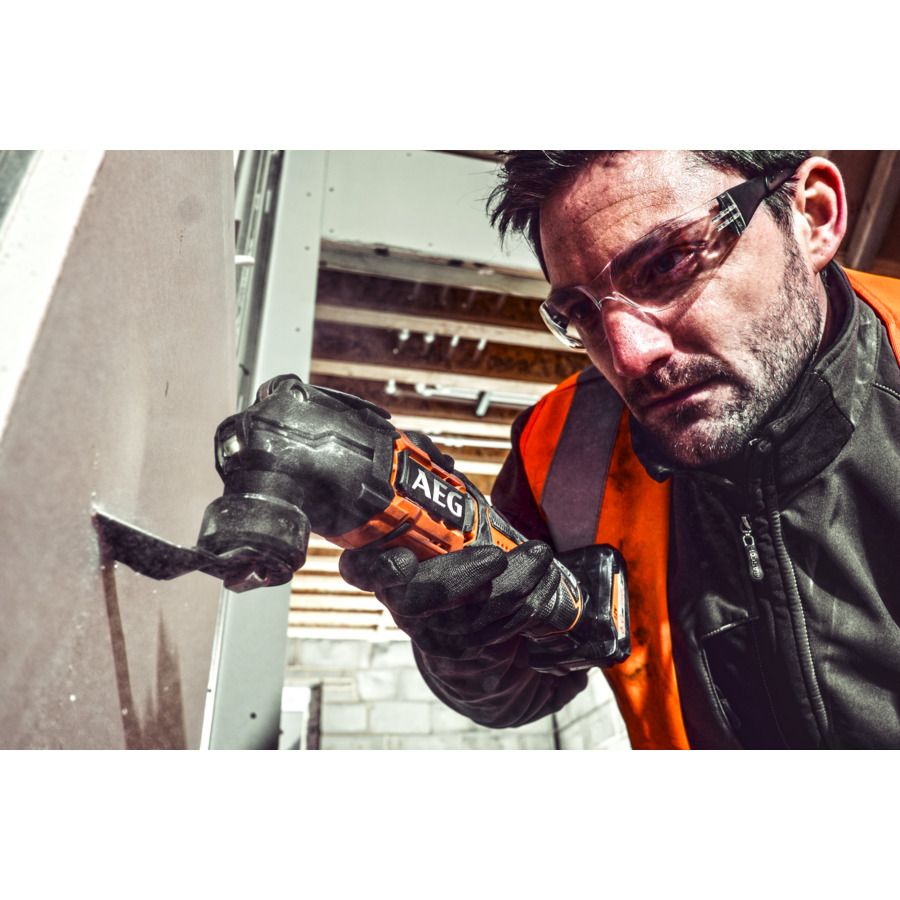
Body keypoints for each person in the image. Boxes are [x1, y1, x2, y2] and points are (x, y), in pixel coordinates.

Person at [340, 151, 900, 750]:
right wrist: (468, 646)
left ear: (813, 216)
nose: (629, 357)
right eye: (582, 311)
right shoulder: (559, 449)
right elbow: (528, 686)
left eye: (669, 262)